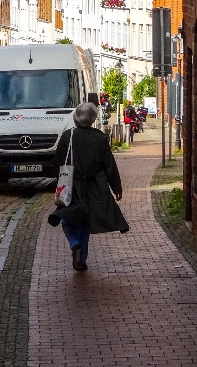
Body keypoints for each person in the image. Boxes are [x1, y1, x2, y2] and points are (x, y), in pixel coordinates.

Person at [48, 101, 129, 271]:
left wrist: (58, 184)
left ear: (76, 117)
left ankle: (74, 243)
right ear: (92, 119)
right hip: (94, 187)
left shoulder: (67, 136)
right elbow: (109, 165)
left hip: (72, 186)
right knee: (85, 222)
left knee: (66, 219)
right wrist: (117, 188)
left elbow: (57, 163)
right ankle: (81, 260)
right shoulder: (99, 137)